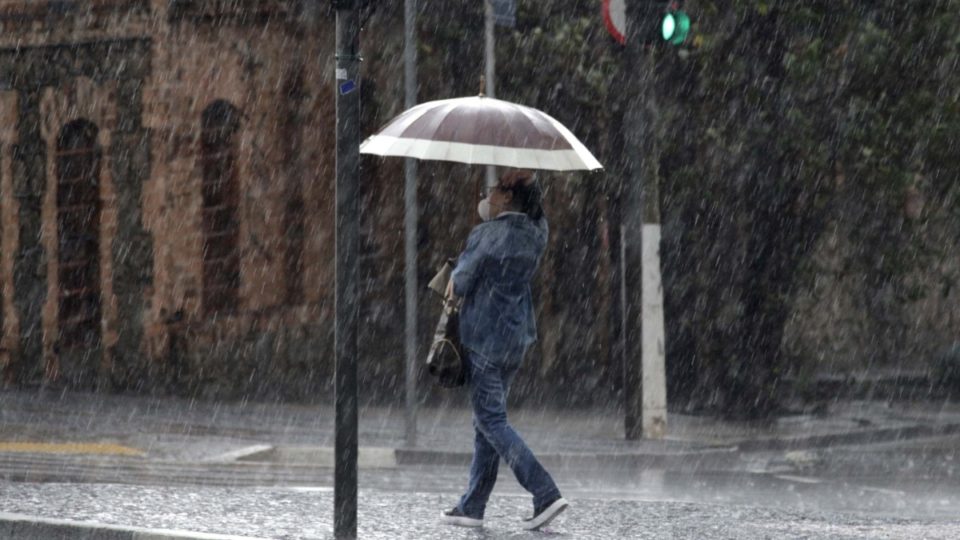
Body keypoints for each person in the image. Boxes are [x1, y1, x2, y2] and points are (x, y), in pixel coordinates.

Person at [441, 169, 568, 531]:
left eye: (493, 191)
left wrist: (456, 273)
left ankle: (545, 492)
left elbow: (460, 283)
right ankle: (472, 505)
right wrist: (529, 183)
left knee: (492, 421)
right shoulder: (535, 234)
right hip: (515, 339)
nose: (488, 196)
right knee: (486, 422)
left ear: (508, 198)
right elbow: (539, 212)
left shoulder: (486, 234)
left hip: (482, 338)